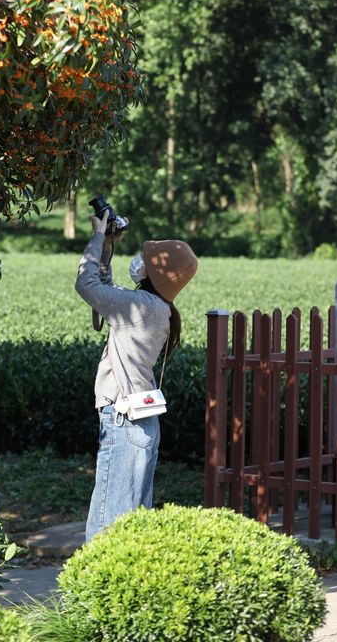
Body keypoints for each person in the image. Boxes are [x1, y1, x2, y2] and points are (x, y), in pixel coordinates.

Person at [75, 208, 198, 541]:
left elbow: (87, 284)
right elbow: (106, 290)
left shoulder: (140, 306)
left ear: (156, 274)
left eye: (146, 259)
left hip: (123, 419)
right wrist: (108, 247)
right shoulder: (156, 308)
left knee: (108, 527)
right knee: (127, 525)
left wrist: (98, 236)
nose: (140, 261)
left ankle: (95, 590)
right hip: (141, 421)